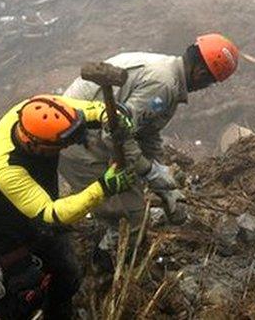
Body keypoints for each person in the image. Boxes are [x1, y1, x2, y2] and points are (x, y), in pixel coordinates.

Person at [59, 34, 239, 267]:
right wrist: (150, 172)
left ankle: (109, 222)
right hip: (77, 142)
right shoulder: (163, 85)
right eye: (209, 83)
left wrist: (162, 179)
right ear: (201, 74)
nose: (205, 87)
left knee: (134, 183)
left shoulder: (167, 72)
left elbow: (146, 131)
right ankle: (104, 264)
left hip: (86, 133)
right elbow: (115, 135)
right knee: (133, 218)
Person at [0, 95, 135, 319]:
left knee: (67, 275)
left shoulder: (34, 110)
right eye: (60, 145)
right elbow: (51, 213)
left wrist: (108, 114)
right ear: (35, 145)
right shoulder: (4, 169)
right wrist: (103, 188)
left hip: (26, 221)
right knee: (24, 293)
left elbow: (81, 113)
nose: (65, 147)